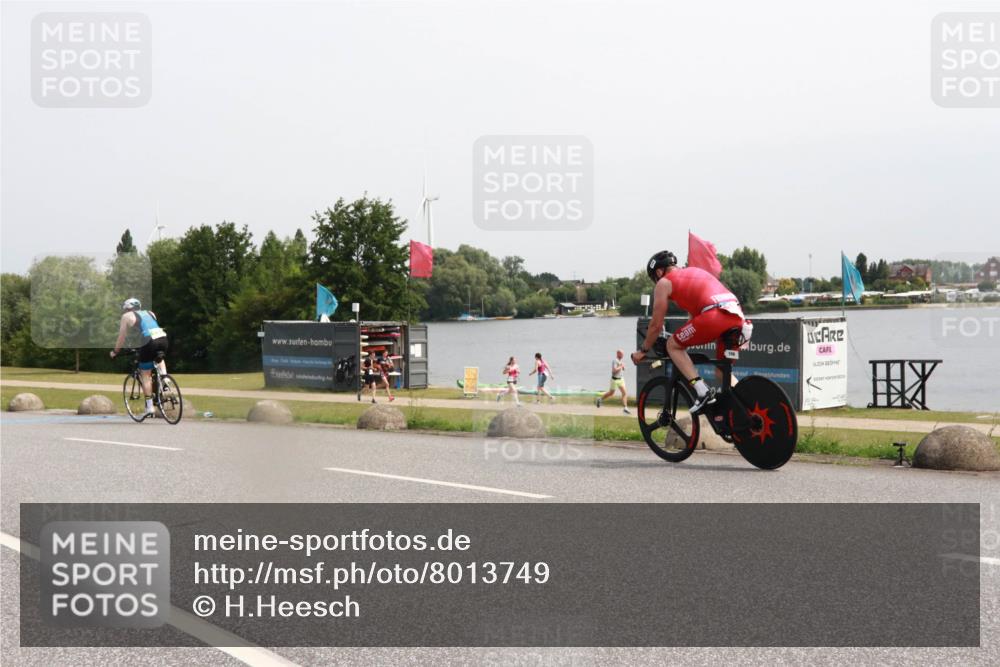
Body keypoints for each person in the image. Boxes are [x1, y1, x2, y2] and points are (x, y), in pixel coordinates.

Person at [631, 250, 747, 414]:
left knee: (673, 345)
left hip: (714, 315)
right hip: (737, 316)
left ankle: (702, 391)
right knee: (722, 372)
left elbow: (656, 324)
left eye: (654, 278)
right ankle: (747, 404)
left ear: (659, 272)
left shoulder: (663, 283)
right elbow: (692, 322)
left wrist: (643, 350)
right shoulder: (695, 272)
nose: (655, 281)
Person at [109, 298, 168, 418]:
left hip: (149, 341)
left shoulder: (126, 316)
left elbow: (122, 337)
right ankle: (165, 378)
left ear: (127, 308)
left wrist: (115, 351)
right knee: (159, 356)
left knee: (145, 374)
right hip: (163, 338)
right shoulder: (150, 313)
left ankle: (150, 407)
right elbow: (150, 328)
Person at [596, 349, 630, 414]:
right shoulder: (615, 361)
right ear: (618, 354)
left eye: (623, 354)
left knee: (624, 393)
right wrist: (620, 366)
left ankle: (625, 408)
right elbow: (614, 371)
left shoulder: (621, 361)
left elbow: (622, 369)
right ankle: (600, 399)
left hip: (621, 379)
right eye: (621, 354)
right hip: (614, 380)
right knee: (611, 393)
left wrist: (623, 367)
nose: (623, 355)